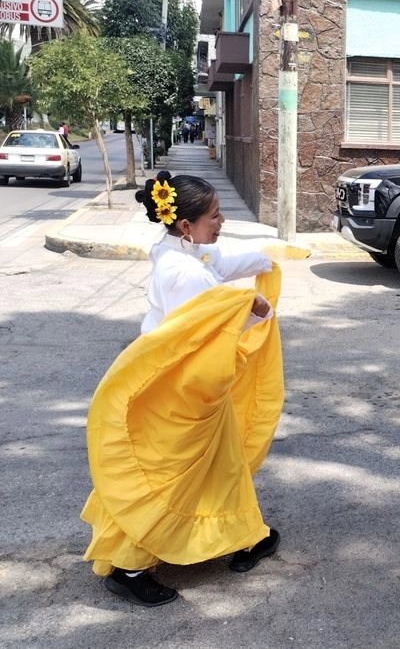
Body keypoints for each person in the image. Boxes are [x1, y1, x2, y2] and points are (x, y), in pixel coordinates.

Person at [80, 170, 284, 607]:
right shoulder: (184, 273)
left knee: (222, 467)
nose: (222, 220)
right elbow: (212, 324)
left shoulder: (175, 251)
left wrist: (265, 259)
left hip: (182, 385)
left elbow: (221, 262)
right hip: (181, 392)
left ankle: (244, 537)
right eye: (214, 215)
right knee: (171, 476)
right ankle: (129, 566)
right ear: (187, 225)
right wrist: (256, 308)